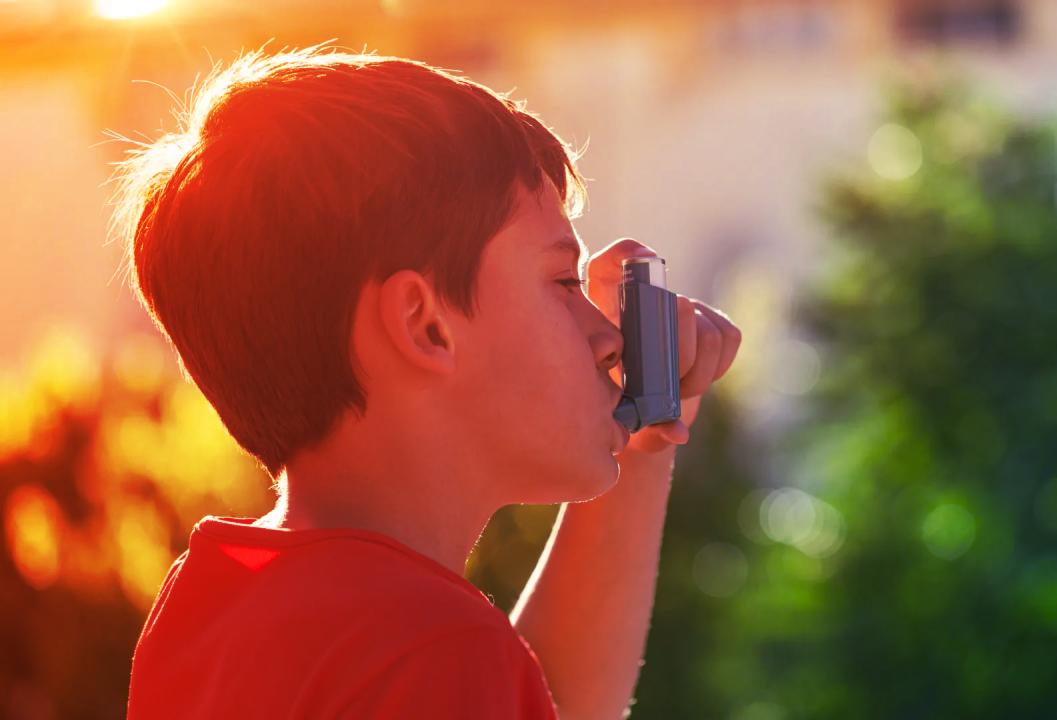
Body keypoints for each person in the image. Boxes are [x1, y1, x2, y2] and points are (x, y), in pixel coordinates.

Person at [110, 42, 741, 720]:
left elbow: (544, 699)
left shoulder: (215, 608)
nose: (610, 337)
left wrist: (647, 432)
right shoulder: (435, 649)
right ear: (425, 324)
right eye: (562, 282)